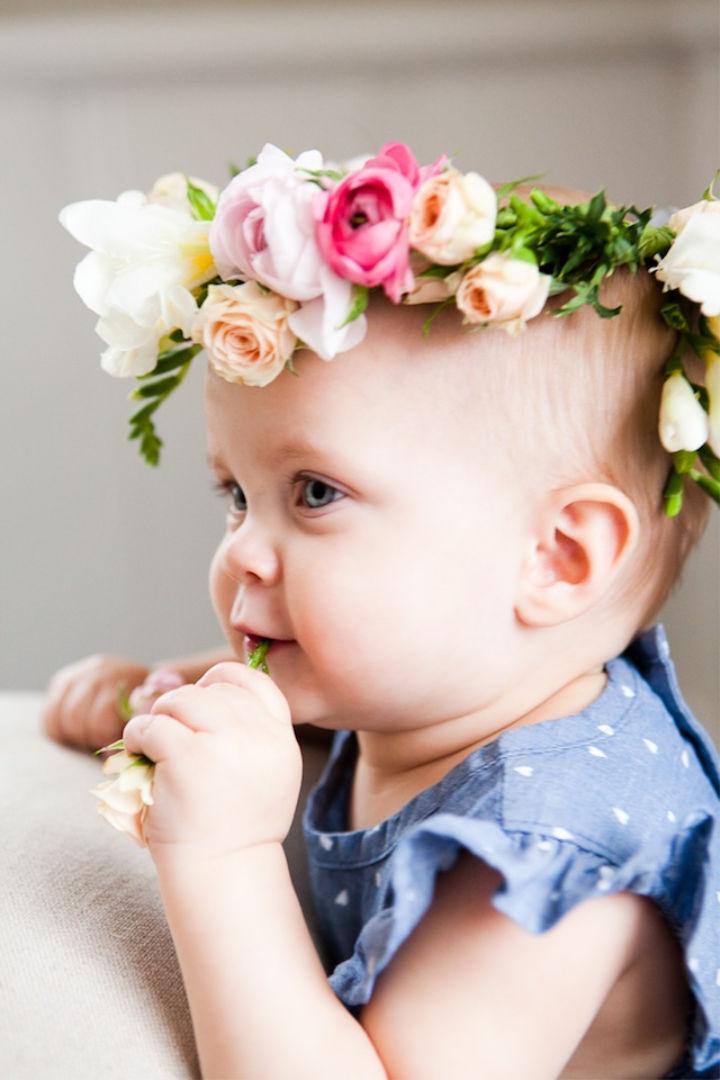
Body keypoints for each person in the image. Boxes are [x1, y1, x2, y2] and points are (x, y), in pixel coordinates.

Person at [47, 145, 720, 1078]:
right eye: (236, 494)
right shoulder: (452, 687)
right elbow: (354, 687)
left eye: (316, 492)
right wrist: (175, 695)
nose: (241, 547)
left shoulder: (542, 856)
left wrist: (226, 856)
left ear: (558, 558)